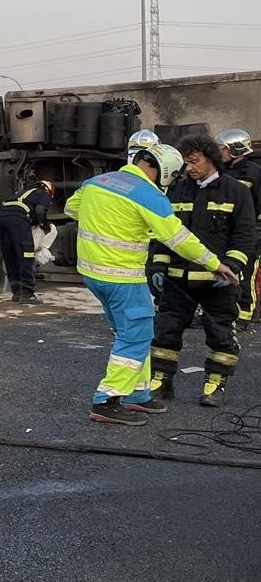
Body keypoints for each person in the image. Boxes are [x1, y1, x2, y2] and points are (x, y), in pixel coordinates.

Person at [65, 143, 237, 426]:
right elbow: (178, 239)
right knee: (134, 337)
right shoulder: (149, 195)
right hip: (124, 278)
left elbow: (73, 208)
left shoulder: (97, 182)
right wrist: (215, 264)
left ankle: (137, 393)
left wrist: (107, 220)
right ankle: (107, 400)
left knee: (135, 334)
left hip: (94, 276)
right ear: (164, 171)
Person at [148, 134, 255, 407]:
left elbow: (244, 236)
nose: (188, 169)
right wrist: (158, 265)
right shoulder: (177, 190)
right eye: (185, 163)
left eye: (194, 162)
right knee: (165, 331)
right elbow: (163, 234)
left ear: (211, 158)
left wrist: (231, 267)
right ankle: (161, 380)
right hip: (176, 280)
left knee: (220, 332)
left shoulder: (237, 192)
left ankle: (215, 384)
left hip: (217, 282)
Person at [215, 128, 261, 330]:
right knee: (222, 274)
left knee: (246, 275)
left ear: (235, 149)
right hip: (224, 232)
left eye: (223, 149)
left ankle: (243, 316)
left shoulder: (255, 173)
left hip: (248, 233)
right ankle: (219, 313)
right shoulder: (220, 172)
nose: (219, 153)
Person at [0, 180, 54, 304]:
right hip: (18, 220)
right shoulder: (43, 193)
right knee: (26, 254)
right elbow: (40, 210)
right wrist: (44, 225)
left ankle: (16, 292)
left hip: (2, 218)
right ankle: (27, 294)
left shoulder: (21, 193)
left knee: (10, 255)